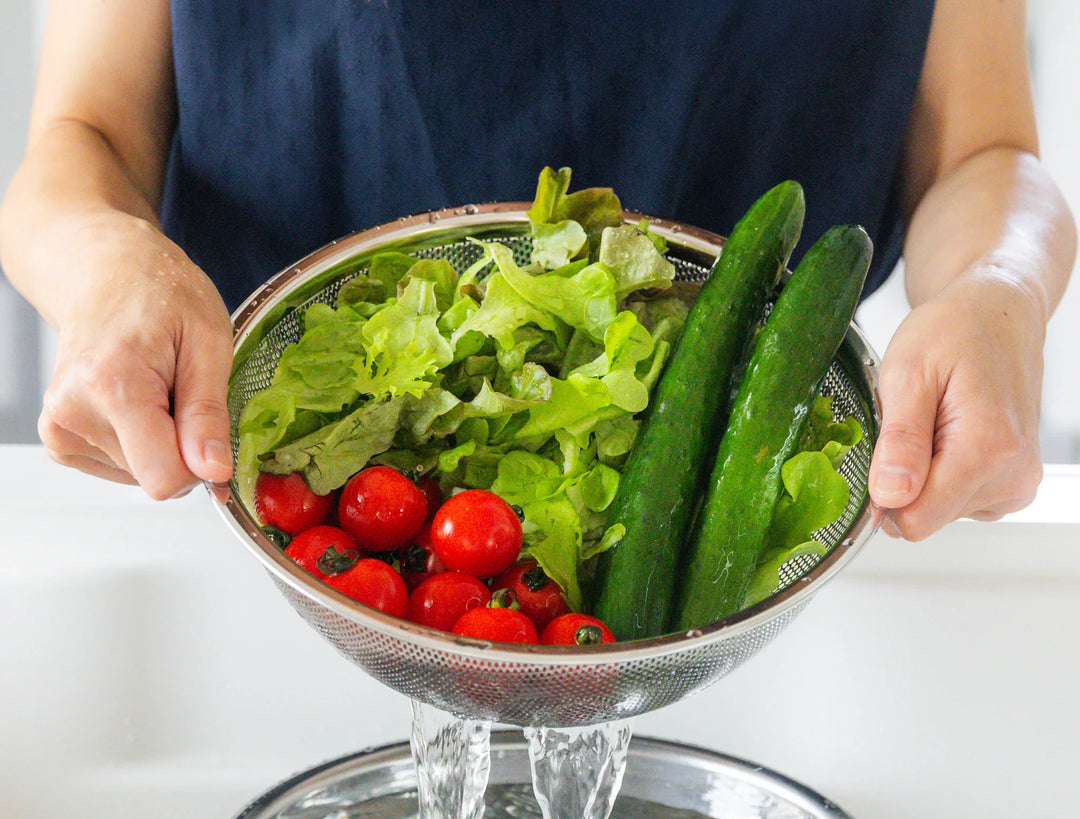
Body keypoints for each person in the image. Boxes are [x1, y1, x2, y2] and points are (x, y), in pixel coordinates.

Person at [0, 0, 1074, 544]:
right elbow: (82, 139)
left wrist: (1003, 290)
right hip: (276, 502)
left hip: (736, 533)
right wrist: (108, 270)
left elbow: (986, 154)